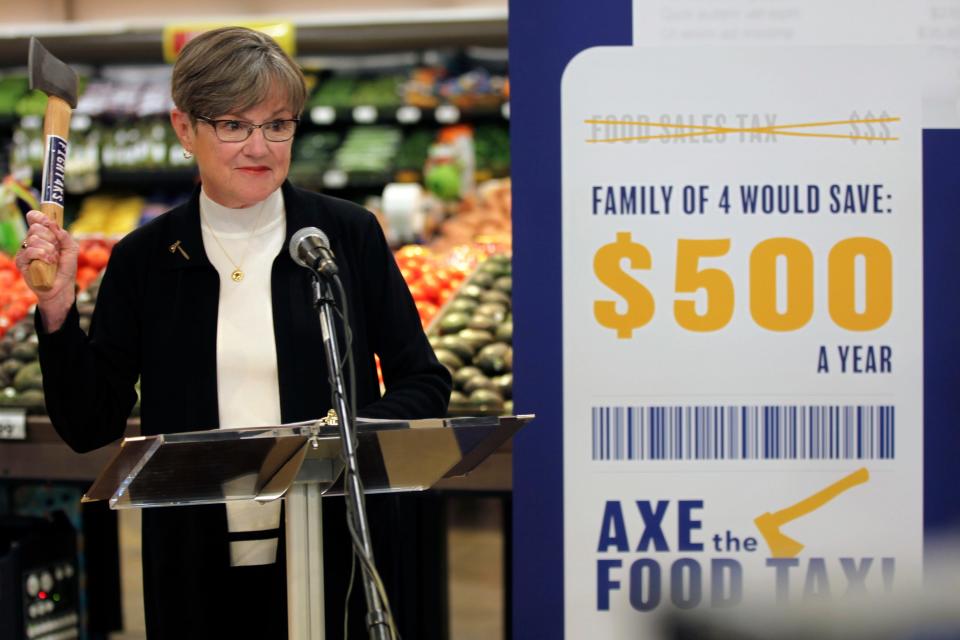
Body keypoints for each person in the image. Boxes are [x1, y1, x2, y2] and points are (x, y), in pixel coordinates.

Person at [16, 27, 451, 639]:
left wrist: (338, 445)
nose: (260, 146)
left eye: (278, 124)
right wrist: (58, 308)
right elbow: (90, 426)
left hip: (339, 554)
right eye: (234, 125)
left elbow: (423, 380)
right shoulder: (144, 258)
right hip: (195, 569)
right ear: (183, 129)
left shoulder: (344, 236)